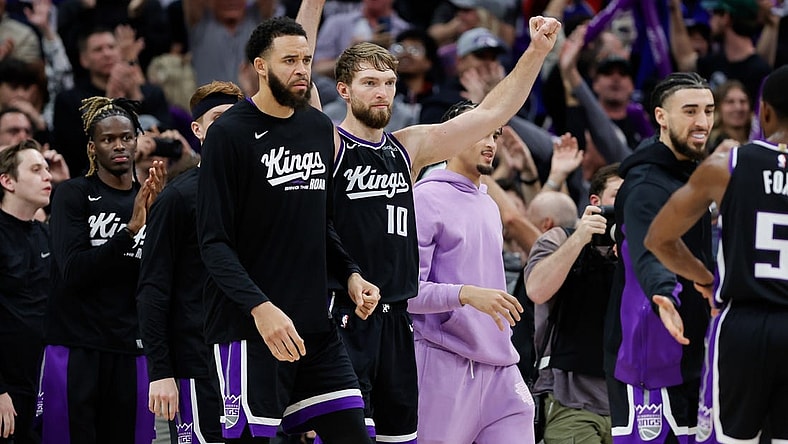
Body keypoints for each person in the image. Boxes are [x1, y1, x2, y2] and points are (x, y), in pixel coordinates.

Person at [326, 13, 560, 443]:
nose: (382, 93)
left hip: (400, 324)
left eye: (388, 83)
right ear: (343, 90)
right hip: (348, 315)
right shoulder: (329, 146)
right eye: (369, 83)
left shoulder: (407, 148)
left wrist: (536, 51)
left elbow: (491, 111)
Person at [196, 16, 381, 443]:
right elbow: (214, 243)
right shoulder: (229, 134)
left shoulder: (318, 128)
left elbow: (321, 224)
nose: (302, 69)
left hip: (315, 327)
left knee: (354, 434)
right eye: (290, 61)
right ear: (260, 66)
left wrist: (351, 274)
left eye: (307, 59)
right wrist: (261, 309)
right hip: (250, 330)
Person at [644, 64, 788, 444]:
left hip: (743, 322)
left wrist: (704, 278)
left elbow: (658, 239)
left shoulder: (727, 165)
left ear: (765, 113)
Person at [39, 96, 165, 444]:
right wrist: (129, 231)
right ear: (93, 147)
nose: (119, 145)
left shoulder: (150, 198)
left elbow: (154, 281)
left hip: (130, 347)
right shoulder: (73, 195)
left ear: (137, 139)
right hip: (76, 345)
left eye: (126, 136)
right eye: (108, 139)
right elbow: (73, 270)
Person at [409, 100, 531, 443]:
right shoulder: (424, 198)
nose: (491, 143)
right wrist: (464, 293)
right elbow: (405, 292)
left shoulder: (489, 204)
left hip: (502, 367)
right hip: (443, 362)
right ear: (451, 138)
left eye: (495, 134)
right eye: (480, 132)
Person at [604, 72, 715, 444]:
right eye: (690, 111)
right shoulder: (647, 183)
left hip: (688, 343)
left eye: (708, 111)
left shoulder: (691, 173)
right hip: (649, 346)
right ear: (661, 117)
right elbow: (648, 244)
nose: (702, 122)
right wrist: (663, 291)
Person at [138, 81, 244, 444]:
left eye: (237, 117)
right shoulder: (178, 199)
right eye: (218, 118)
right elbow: (152, 288)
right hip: (197, 362)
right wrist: (161, 371)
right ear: (196, 129)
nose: (229, 126)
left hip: (257, 361)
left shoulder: (267, 191)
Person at [524, 163, 622, 444]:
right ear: (596, 202)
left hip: (627, 403)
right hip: (570, 400)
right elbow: (536, 290)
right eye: (617, 195)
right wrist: (581, 237)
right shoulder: (559, 238)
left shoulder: (640, 248)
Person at [0, 140, 52, 444]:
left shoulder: (43, 233)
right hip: (6, 387)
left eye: (46, 168)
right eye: (36, 169)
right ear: (7, 181)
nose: (47, 176)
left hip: (39, 381)